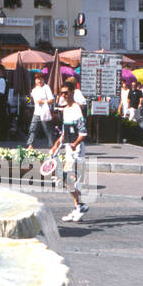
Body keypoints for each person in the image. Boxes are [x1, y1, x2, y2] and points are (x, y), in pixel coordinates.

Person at [49, 85, 89, 221]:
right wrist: (56, 145)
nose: (64, 95)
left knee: (66, 177)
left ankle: (80, 205)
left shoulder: (76, 109)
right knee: (68, 180)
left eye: (66, 93)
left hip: (76, 149)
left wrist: (74, 145)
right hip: (68, 147)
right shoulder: (65, 110)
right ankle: (78, 206)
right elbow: (65, 132)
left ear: (72, 92)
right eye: (61, 93)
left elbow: (83, 132)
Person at [26, 74, 54, 148]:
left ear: (43, 79)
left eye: (40, 79)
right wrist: (28, 99)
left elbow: (52, 100)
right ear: (35, 81)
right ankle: (30, 145)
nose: (39, 81)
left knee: (47, 129)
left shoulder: (46, 87)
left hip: (45, 112)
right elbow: (31, 99)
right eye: (37, 79)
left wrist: (44, 102)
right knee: (33, 128)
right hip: (36, 112)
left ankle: (51, 145)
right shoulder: (34, 90)